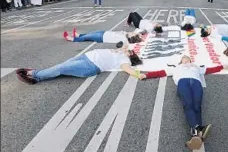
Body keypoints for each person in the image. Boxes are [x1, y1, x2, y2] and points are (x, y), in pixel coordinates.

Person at [144, 55, 228, 150]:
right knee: (188, 104)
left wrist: (223, 66)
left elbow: (209, 70)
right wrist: (146, 75)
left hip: (196, 83)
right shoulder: (176, 67)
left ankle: (196, 136)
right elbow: (161, 72)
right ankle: (198, 129)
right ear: (181, 61)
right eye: (184, 58)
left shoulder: (196, 66)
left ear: (190, 60)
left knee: (197, 106)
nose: (186, 59)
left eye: (188, 58)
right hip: (183, 82)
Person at [16, 46, 144, 85]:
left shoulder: (124, 60)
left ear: (131, 55)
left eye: (131, 50)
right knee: (61, 66)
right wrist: (122, 48)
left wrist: (139, 74)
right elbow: (125, 45)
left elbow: (128, 70)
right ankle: (37, 78)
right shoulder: (120, 51)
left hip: (90, 65)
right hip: (86, 56)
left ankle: (33, 73)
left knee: (61, 69)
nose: (128, 49)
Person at [63, 27, 143, 44]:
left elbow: (134, 38)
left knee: (87, 37)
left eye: (133, 34)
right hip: (104, 33)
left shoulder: (125, 39)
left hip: (102, 37)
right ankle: (78, 35)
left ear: (131, 37)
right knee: (90, 34)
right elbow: (138, 31)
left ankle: (72, 39)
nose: (133, 32)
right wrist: (139, 35)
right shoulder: (126, 34)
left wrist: (138, 38)